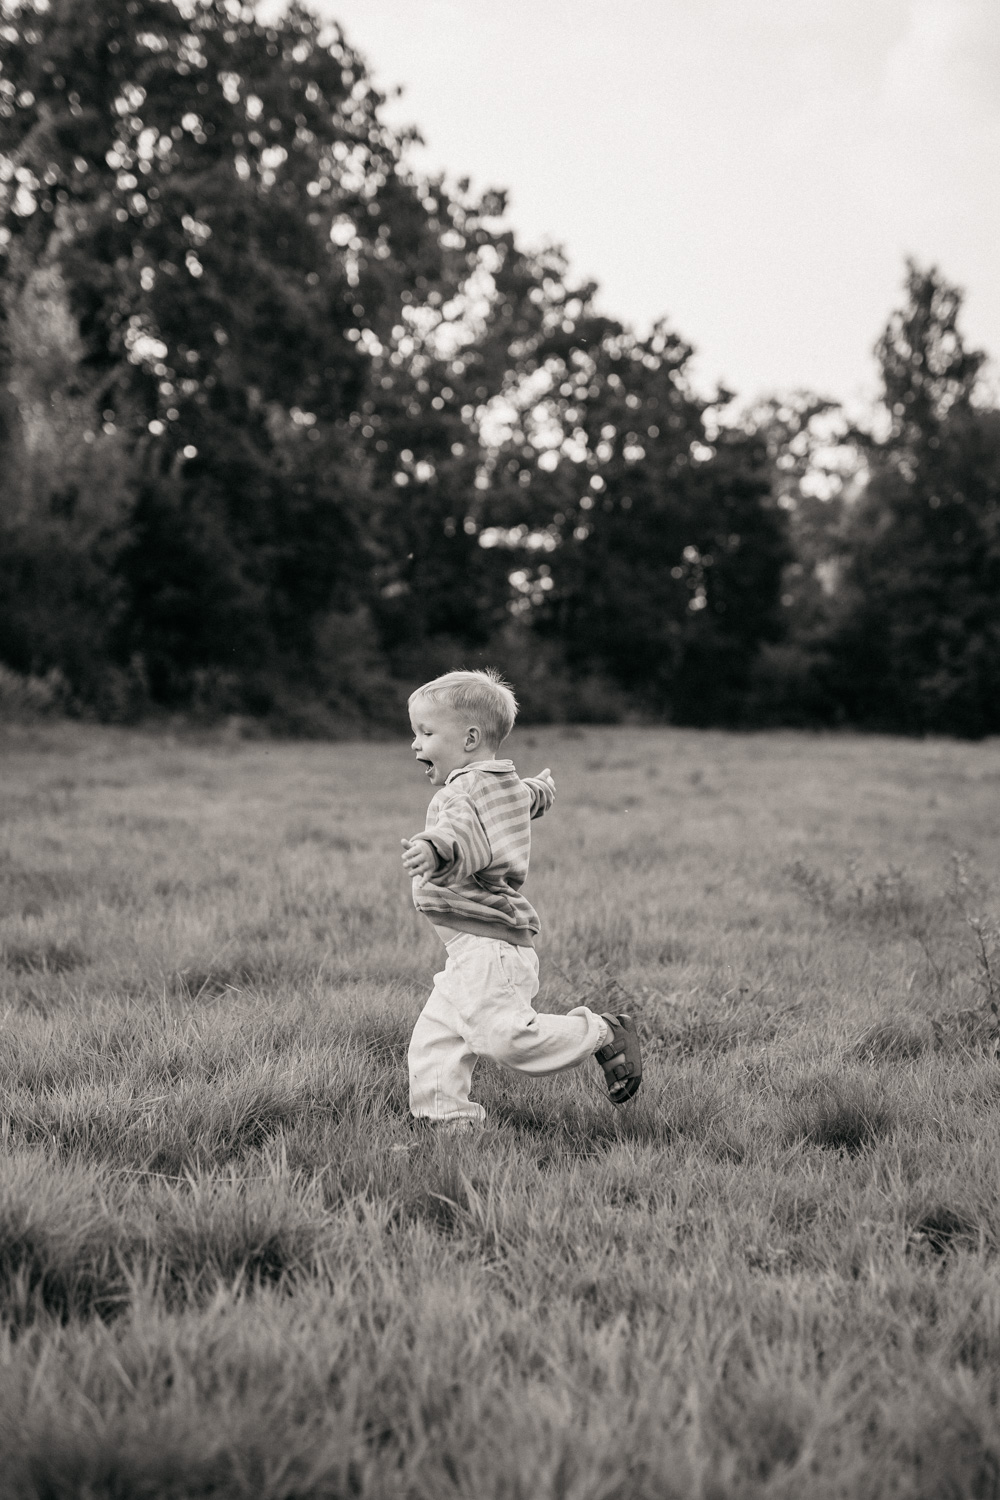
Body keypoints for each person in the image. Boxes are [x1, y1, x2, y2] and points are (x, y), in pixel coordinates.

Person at [400, 668, 642, 1128]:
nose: (415, 744)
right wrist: (542, 791)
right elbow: (524, 797)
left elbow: (463, 835)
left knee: (506, 1038)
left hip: (488, 945)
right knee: (437, 1040)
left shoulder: (463, 793)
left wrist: (436, 850)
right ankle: (448, 1124)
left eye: (426, 733)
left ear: (469, 739)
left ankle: (603, 1032)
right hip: (473, 949)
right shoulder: (499, 782)